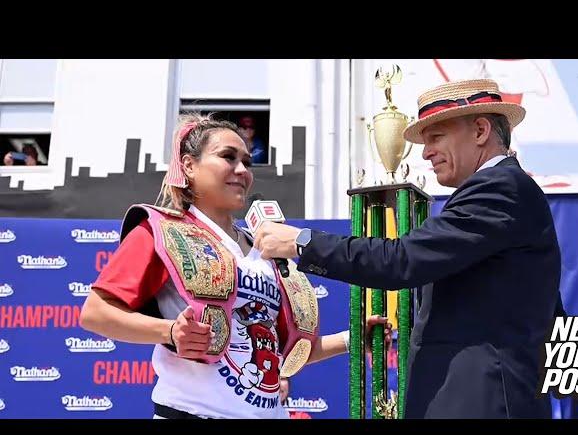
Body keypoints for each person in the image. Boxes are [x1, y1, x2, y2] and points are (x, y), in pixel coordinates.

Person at [253, 79, 564, 419]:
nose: (426, 151)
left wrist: (301, 243)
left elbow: (401, 260)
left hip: (481, 401)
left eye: (436, 137)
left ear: (480, 130)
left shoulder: (499, 189)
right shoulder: (505, 190)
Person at [79, 113, 390, 419]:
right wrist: (170, 331)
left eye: (247, 161)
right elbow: (95, 313)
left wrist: (351, 339)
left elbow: (278, 350)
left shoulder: (266, 248)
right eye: (228, 157)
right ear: (189, 166)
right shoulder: (161, 231)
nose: (242, 169)